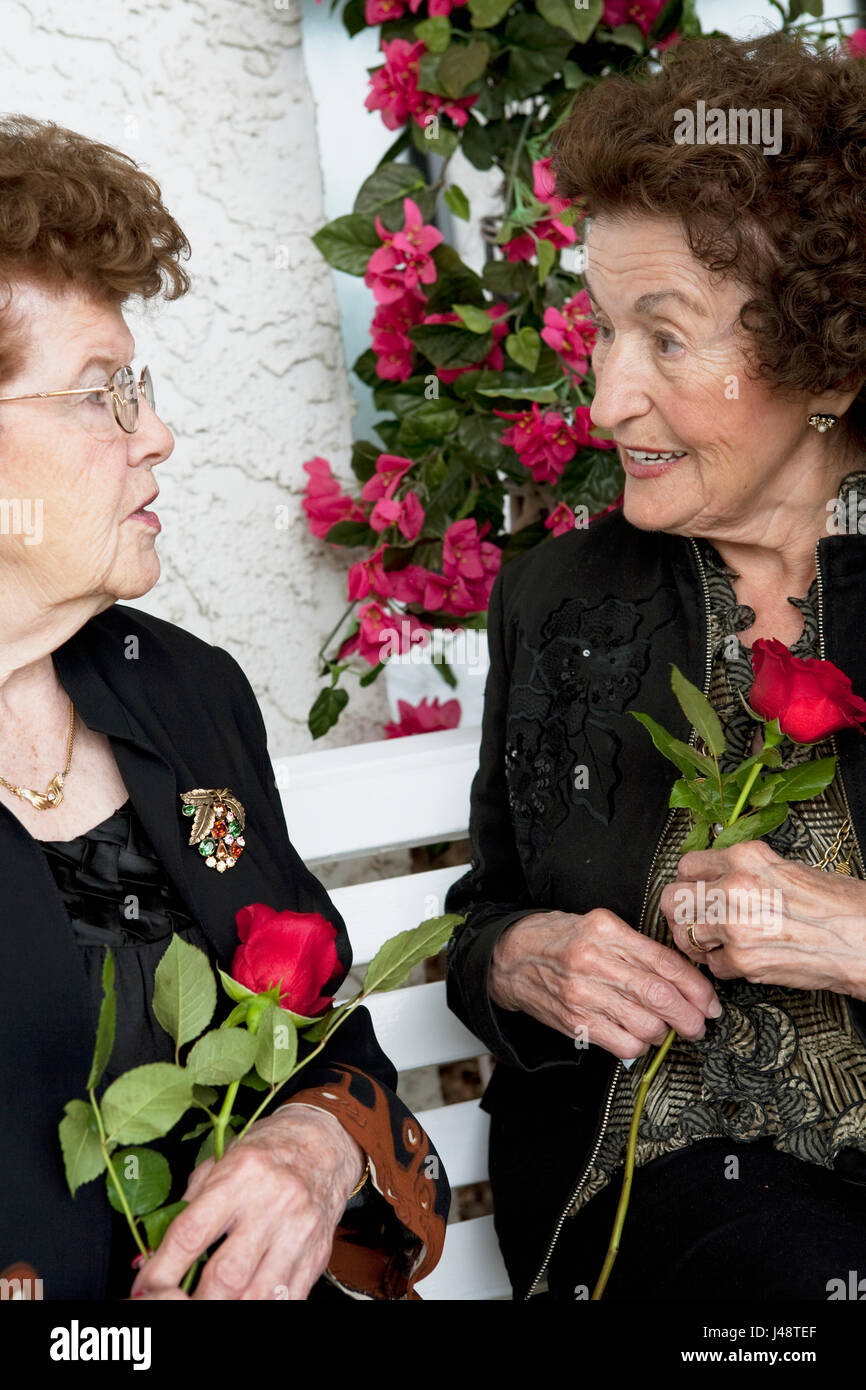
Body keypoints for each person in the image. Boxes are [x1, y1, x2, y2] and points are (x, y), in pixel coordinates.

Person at [445, 29, 866, 1302]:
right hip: (638, 1219)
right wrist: (522, 958)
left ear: (827, 365)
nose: (606, 399)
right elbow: (483, 914)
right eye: (602, 329)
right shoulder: (556, 598)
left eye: (666, 339)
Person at [0, 114, 449, 1302]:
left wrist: (311, 1147)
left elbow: (335, 1049)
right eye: (102, 395)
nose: (159, 434)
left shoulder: (179, 685)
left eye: (138, 387)